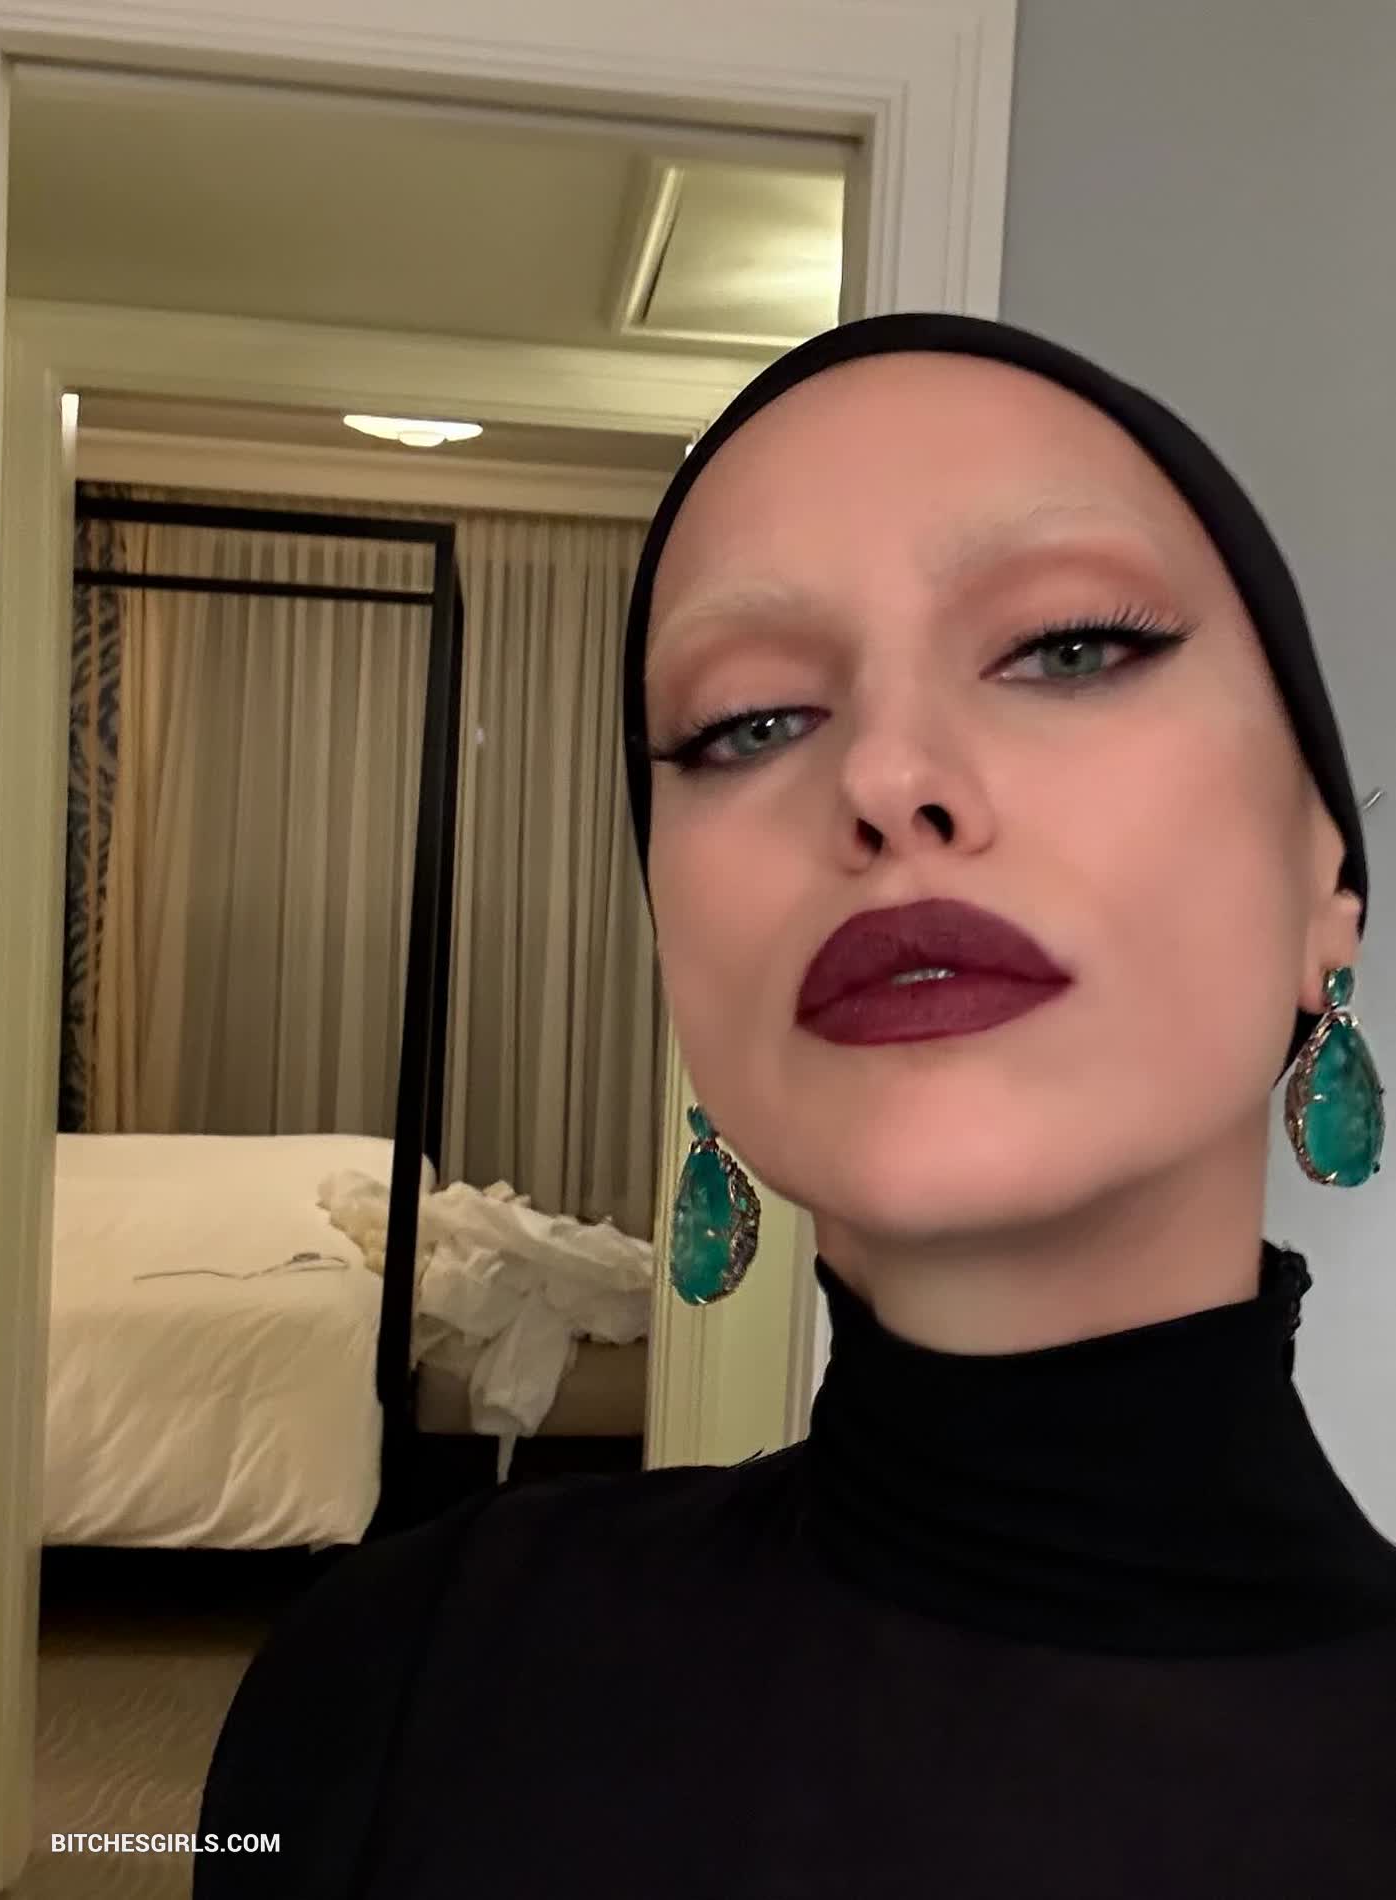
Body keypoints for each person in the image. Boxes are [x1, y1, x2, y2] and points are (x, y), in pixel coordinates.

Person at [195, 314, 1396, 1899]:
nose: (885, 778)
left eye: (1069, 646)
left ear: (1325, 885)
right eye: (747, 722)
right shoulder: (388, 1674)